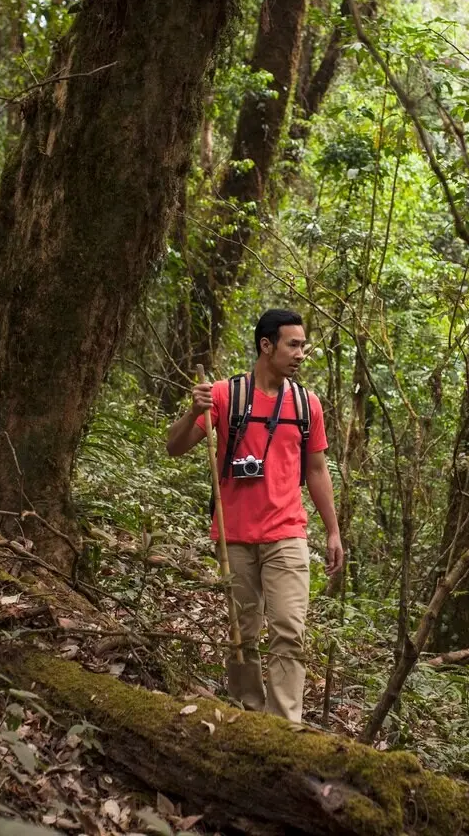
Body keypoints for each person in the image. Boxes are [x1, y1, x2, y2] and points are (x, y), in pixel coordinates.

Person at [166, 308, 344, 722]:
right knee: (242, 634)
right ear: (267, 346)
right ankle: (248, 714)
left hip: (287, 534)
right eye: (293, 344)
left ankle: (285, 726)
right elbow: (175, 447)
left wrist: (333, 532)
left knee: (289, 629)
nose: (301, 353)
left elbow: (316, 470)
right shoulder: (227, 396)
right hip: (236, 537)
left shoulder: (306, 404)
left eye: (303, 345)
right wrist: (194, 411)